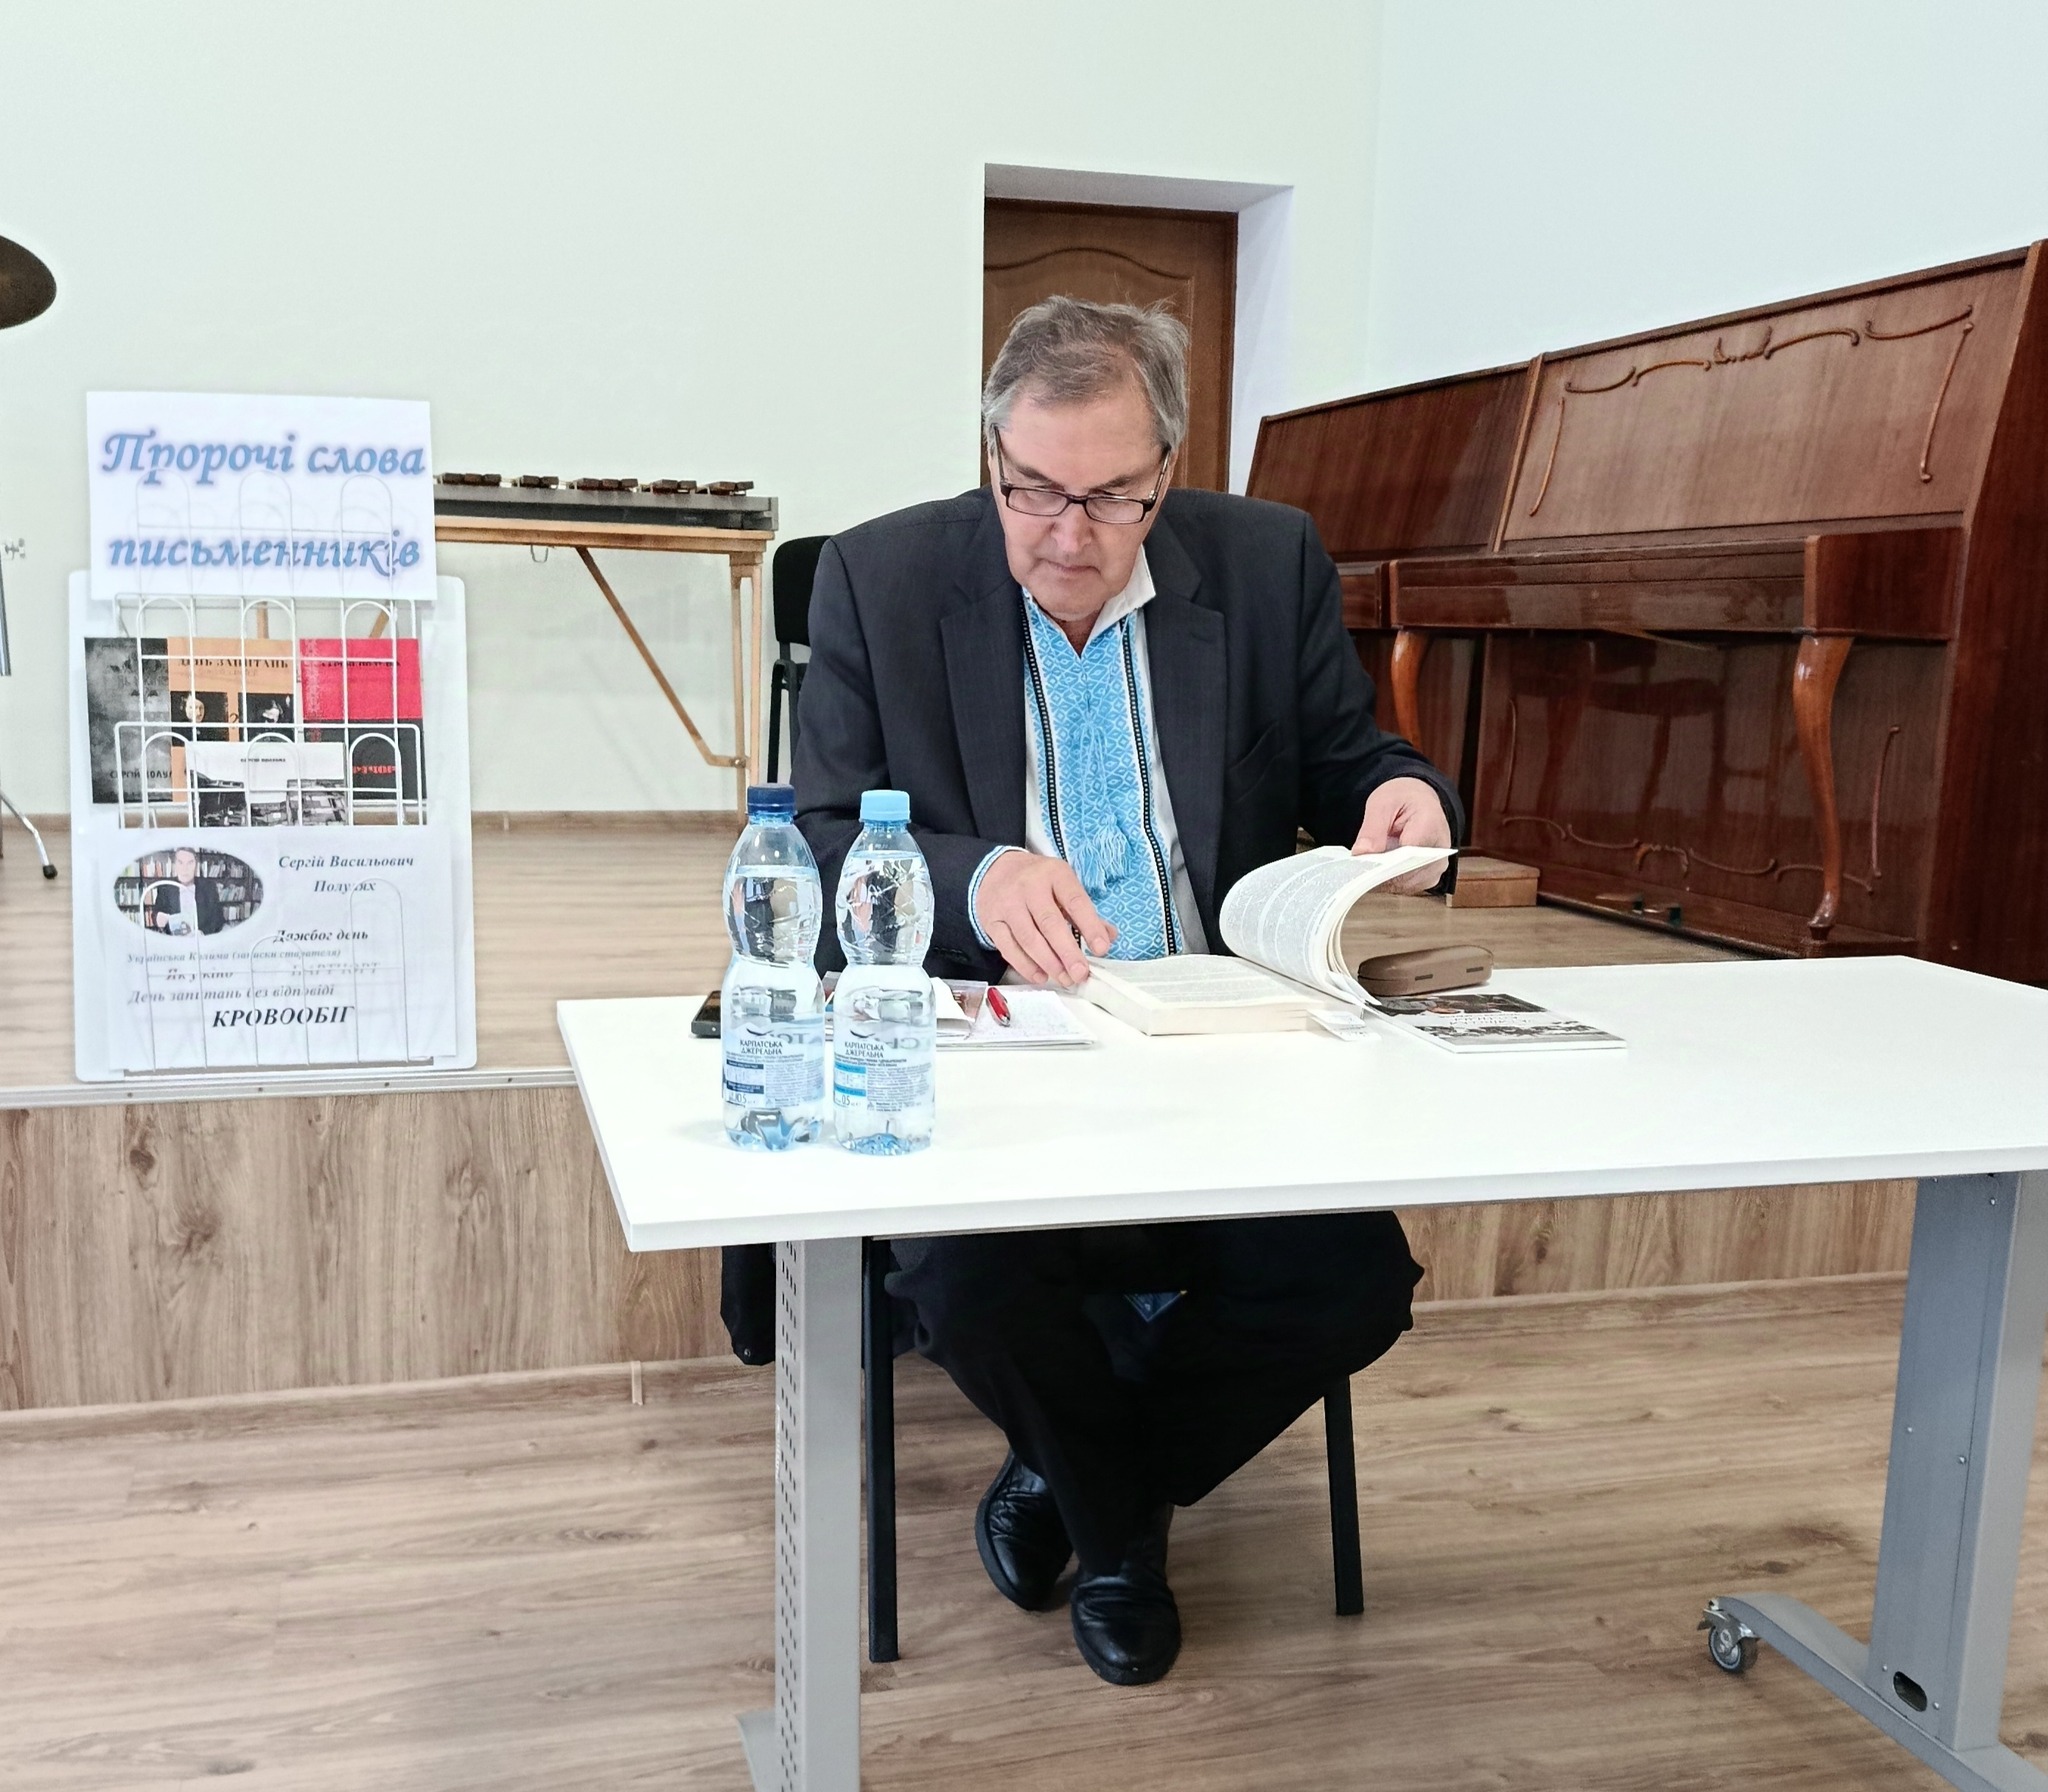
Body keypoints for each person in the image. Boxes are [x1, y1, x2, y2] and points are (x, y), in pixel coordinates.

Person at [792, 296, 1462, 1687]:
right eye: (1031, 491)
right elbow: (819, 836)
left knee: (1351, 1285)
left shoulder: (1264, 561)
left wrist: (1408, 792)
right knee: (962, 1283)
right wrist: (973, 876)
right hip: (1008, 1044)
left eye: (1112, 498)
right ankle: (1120, 1540)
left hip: (1220, 1042)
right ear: (990, 456)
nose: (1067, 535)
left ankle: (1078, 1484)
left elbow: (1353, 757)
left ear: (1169, 465)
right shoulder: (880, 577)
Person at [143, 845, 224, 937]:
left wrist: (202, 934)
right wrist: (158, 918)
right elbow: (155, 914)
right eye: (180, 863)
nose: (185, 869)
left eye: (190, 863)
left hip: (202, 941)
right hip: (174, 942)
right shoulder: (165, 888)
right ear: (174, 865)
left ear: (196, 865)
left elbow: (218, 920)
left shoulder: (209, 887)